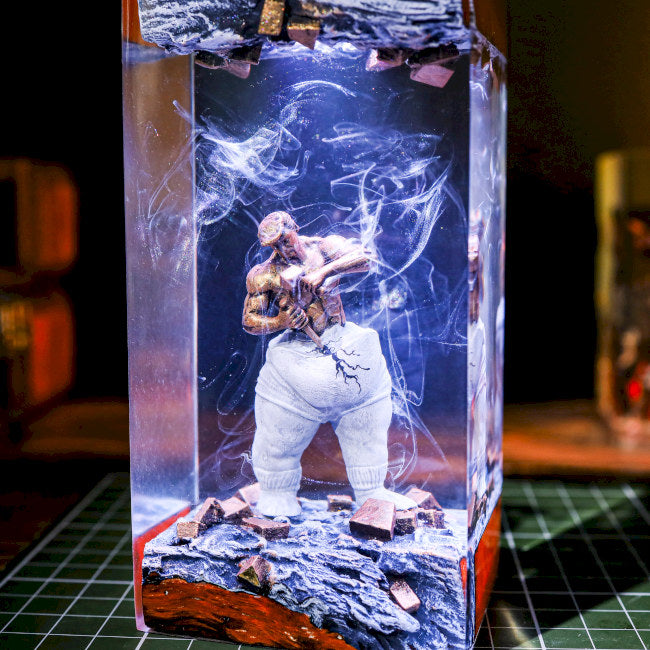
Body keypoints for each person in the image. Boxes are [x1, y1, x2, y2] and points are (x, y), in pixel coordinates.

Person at [242, 211, 417, 515]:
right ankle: (276, 490)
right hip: (295, 360)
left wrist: (324, 272)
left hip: (342, 344)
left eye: (286, 240)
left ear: (295, 229)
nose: (283, 249)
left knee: (367, 425)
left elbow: (366, 258)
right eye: (275, 246)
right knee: (277, 435)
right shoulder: (264, 274)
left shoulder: (323, 248)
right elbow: (249, 320)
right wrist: (283, 320)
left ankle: (372, 490)